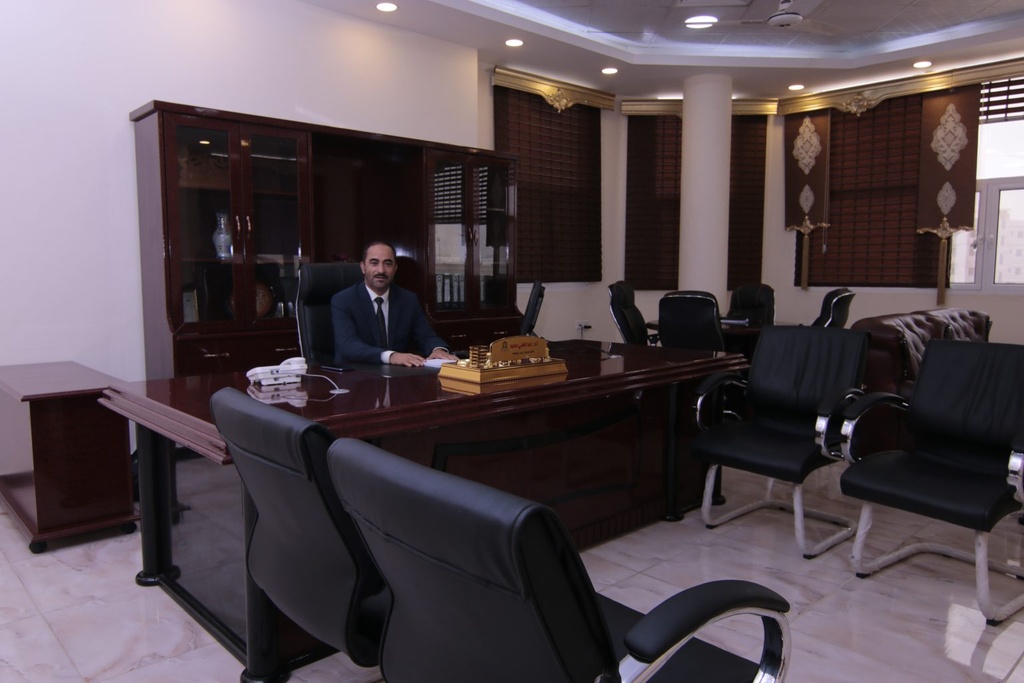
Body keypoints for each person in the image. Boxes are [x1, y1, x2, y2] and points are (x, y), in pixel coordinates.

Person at [331, 241, 458, 367]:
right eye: (374, 263)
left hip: (396, 374)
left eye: (388, 264)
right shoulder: (343, 300)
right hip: (356, 373)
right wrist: (391, 356)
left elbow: (426, 336)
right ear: (363, 267)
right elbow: (348, 345)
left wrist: (437, 349)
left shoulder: (408, 300)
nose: (381, 270)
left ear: (395, 268)